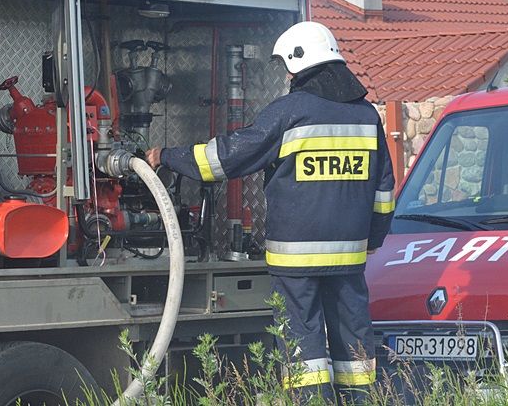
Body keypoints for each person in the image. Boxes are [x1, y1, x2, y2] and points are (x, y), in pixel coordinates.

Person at [146, 21, 394, 403]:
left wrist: (167, 156)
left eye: (287, 67)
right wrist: (373, 238)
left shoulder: (289, 113)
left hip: (296, 261)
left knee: (304, 352)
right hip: (349, 259)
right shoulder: (366, 116)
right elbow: (383, 191)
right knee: (355, 351)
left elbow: (225, 158)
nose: (287, 76)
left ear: (299, 62)